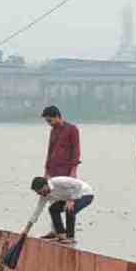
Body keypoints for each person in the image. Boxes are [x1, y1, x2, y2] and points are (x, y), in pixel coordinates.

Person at [40, 105, 81, 239]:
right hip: (53, 171)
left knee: (68, 202)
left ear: (57, 116)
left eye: (50, 121)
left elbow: (76, 151)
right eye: (47, 122)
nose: (49, 124)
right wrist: (46, 171)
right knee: (53, 200)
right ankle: (56, 230)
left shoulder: (72, 129)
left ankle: (69, 234)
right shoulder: (53, 131)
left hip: (66, 172)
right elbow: (49, 151)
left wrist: (74, 171)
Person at [19, 176, 95, 244]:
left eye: (39, 191)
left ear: (45, 186)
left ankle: (70, 237)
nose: (39, 194)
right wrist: (26, 229)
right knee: (53, 209)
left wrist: (71, 200)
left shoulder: (58, 182)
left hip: (85, 194)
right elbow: (37, 211)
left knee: (70, 208)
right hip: (69, 198)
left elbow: (78, 185)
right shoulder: (44, 195)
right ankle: (61, 234)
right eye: (37, 193)